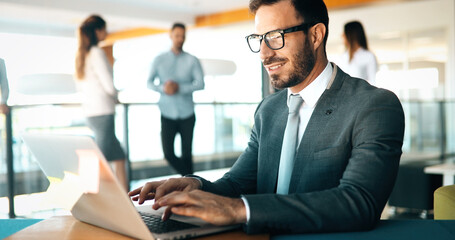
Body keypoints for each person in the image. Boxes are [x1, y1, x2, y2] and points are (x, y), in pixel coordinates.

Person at [130, 0, 404, 235]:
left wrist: (241, 210)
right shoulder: (268, 110)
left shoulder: (374, 106)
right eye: (259, 39)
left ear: (316, 35)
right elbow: (237, 184)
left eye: (275, 36)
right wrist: (196, 185)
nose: (264, 53)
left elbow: (358, 203)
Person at [75, 15, 128, 190]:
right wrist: (116, 94)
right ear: (98, 31)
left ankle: (127, 197)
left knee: (119, 155)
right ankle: (89, 196)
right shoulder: (97, 53)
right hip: (103, 112)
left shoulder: (83, 55)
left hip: (91, 112)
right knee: (100, 159)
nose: (107, 32)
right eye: (105, 29)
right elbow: (108, 84)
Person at [147, 23, 204, 176]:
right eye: (177, 35)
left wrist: (179, 88)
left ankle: (191, 189)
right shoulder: (159, 59)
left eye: (183, 36)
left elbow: (200, 84)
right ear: (171, 36)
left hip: (187, 114)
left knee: (187, 154)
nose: (180, 39)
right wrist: (163, 88)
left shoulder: (192, 60)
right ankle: (193, 181)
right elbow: (149, 82)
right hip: (167, 113)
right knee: (168, 153)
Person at [337, 20, 378, 85]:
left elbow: (373, 81)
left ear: (351, 35)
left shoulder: (368, 56)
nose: (342, 35)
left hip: (362, 94)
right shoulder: (342, 57)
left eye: (344, 33)